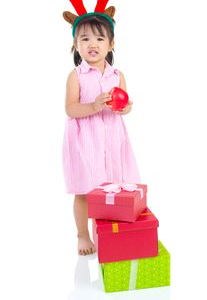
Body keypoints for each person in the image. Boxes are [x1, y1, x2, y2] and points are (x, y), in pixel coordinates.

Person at [62, 13, 141, 255]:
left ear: (111, 44)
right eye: (85, 39)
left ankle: (109, 231)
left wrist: (125, 108)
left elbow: (122, 107)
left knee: (113, 188)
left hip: (112, 139)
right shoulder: (76, 76)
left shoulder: (118, 76)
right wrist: (94, 106)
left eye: (99, 38)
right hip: (85, 141)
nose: (92, 44)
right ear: (76, 44)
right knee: (85, 190)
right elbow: (70, 108)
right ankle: (83, 234)